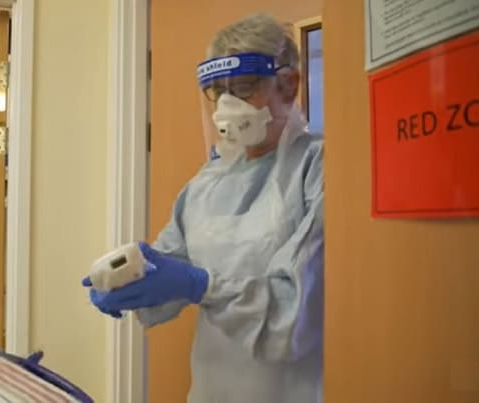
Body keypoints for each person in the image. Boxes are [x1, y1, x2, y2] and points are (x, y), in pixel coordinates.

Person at [83, 13, 324, 403]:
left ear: (289, 85)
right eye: (218, 91)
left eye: (244, 87)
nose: (228, 105)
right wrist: (132, 281)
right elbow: (171, 267)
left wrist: (201, 284)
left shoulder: (319, 169)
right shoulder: (206, 185)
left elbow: (293, 318)